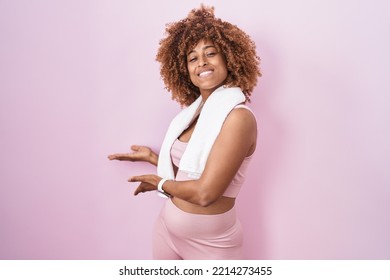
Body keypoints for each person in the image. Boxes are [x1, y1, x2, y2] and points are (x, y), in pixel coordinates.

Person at [108, 5, 261, 260]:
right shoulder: (195, 115)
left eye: (211, 53)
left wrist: (161, 183)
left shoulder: (238, 118)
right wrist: (155, 159)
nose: (202, 62)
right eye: (192, 58)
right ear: (185, 70)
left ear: (229, 58)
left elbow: (205, 193)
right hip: (167, 231)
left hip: (213, 244)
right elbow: (195, 170)